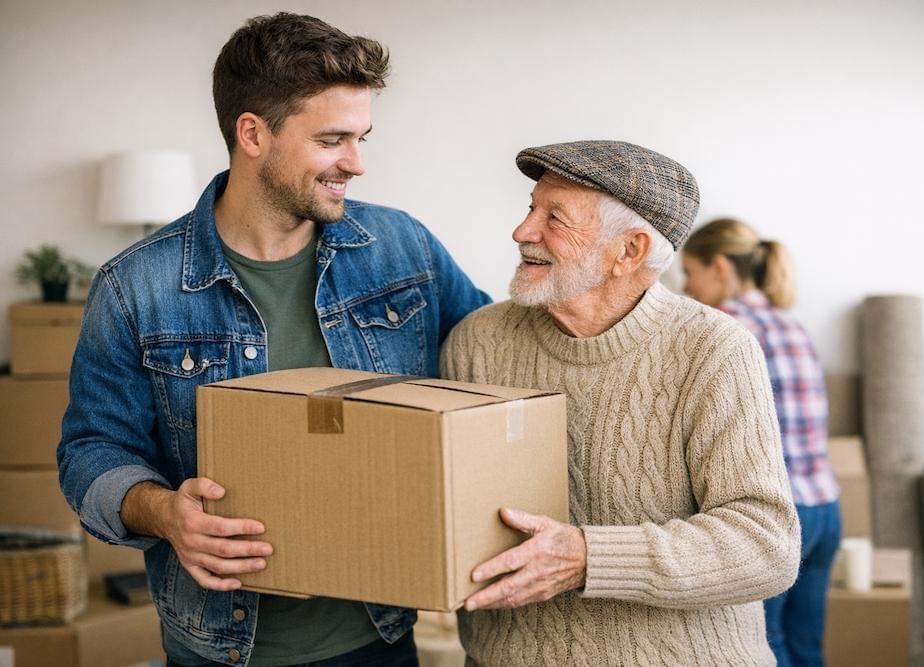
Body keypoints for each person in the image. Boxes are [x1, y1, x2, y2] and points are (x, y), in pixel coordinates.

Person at [57, 13, 489, 667]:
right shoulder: (134, 286)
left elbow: (497, 360)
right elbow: (91, 450)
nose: (358, 162)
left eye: (362, 137)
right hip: (218, 645)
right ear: (252, 133)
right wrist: (164, 511)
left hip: (378, 634)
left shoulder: (404, 249)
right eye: (333, 139)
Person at [439, 140, 800, 665]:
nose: (523, 232)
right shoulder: (478, 342)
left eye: (555, 217)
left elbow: (766, 546)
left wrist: (589, 557)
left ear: (628, 251)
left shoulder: (713, 349)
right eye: (530, 208)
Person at [682, 217, 841, 667]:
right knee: (805, 645)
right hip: (826, 507)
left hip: (782, 514)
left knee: (765, 644)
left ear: (718, 267)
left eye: (690, 274)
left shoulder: (722, 327)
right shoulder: (790, 323)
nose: (688, 289)